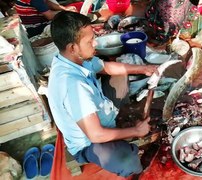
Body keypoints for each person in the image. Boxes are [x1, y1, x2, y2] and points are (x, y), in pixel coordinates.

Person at [48, 11, 158, 177]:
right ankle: (130, 162)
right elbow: (96, 134)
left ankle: (120, 124)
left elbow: (105, 67)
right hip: (89, 142)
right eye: (90, 41)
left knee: (121, 75)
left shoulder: (74, 58)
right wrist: (136, 131)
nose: (95, 43)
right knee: (127, 160)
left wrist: (144, 69)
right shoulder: (72, 85)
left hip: (101, 110)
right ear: (72, 47)